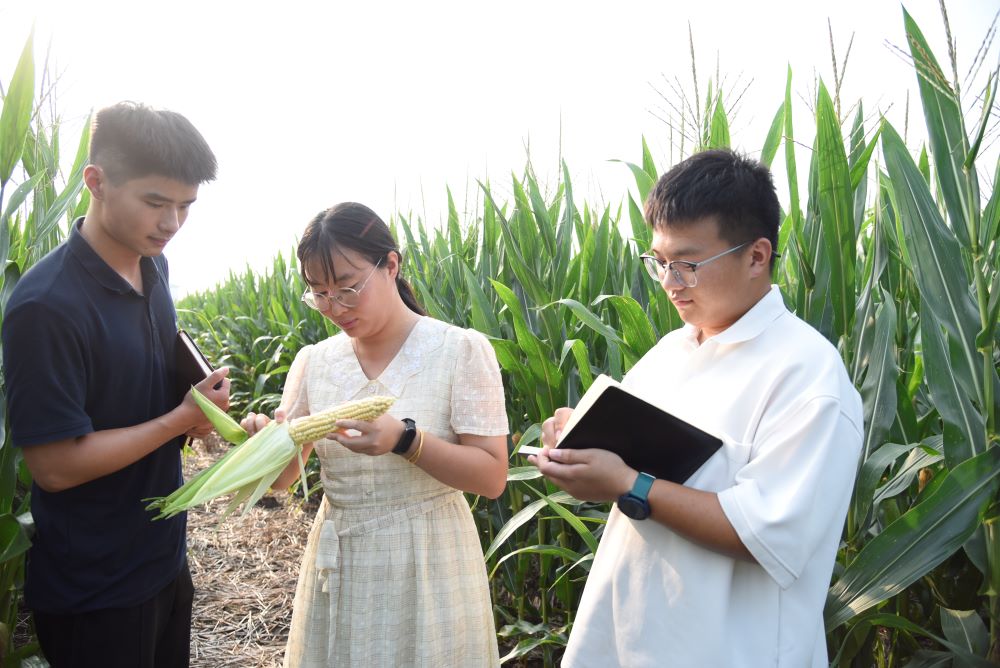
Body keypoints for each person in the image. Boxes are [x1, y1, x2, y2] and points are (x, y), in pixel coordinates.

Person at [530, 149, 863, 667]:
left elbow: (764, 536)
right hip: (625, 642)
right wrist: (576, 447)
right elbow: (631, 468)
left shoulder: (807, 376)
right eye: (659, 263)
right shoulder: (670, 352)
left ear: (757, 256)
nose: (669, 283)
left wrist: (628, 484)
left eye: (686, 265)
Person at [1, 101, 230, 668]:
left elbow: (135, 385)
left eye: (185, 206)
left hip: (163, 556)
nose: (172, 223)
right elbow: (55, 467)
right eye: (155, 202)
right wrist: (179, 419)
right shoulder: (46, 306)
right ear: (96, 182)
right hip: (96, 589)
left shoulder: (154, 266)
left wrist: (199, 408)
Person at [241, 202, 509, 667]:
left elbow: (491, 478)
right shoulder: (314, 362)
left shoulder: (459, 350)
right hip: (340, 560)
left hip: (430, 563)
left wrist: (406, 441)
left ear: (391, 265)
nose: (334, 308)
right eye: (319, 294)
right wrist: (263, 444)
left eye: (348, 288)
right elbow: (285, 479)